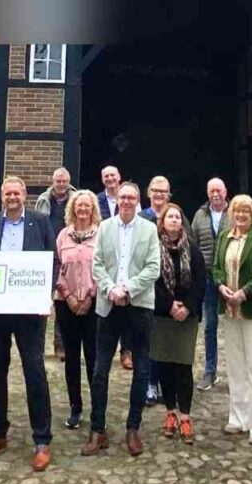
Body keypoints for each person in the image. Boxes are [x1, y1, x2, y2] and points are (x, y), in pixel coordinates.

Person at [0, 176, 56, 472]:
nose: (12, 197)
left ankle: (42, 439)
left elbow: (53, 261)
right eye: (7, 193)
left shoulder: (40, 222)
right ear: (1, 196)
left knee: (34, 370)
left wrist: (46, 294)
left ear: (25, 195)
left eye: (16, 193)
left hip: (28, 311)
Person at [83, 181, 160, 458]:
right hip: (109, 305)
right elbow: (98, 264)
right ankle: (97, 428)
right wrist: (110, 289)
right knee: (100, 370)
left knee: (141, 369)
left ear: (138, 202)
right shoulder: (104, 228)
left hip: (138, 305)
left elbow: (153, 268)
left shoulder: (150, 229)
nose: (126, 201)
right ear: (117, 201)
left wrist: (127, 289)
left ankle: (133, 428)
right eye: (123, 197)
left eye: (131, 198)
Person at [213, 194, 252, 444]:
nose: (240, 216)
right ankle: (239, 417)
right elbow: (216, 267)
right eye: (237, 212)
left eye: (245, 213)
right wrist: (221, 286)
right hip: (229, 310)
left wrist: (244, 292)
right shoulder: (225, 237)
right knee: (235, 366)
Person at [150, 203, 206, 445]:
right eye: (169, 217)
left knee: (183, 367)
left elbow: (200, 281)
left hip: (186, 317)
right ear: (162, 222)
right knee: (164, 366)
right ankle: (170, 412)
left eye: (177, 217)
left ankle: (185, 415)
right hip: (163, 316)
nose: (173, 220)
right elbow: (153, 280)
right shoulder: (153, 248)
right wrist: (169, 305)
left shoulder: (192, 249)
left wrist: (187, 307)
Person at [136, 175, 190, 406]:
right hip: (149, 290)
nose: (159, 194)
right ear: (149, 193)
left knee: (170, 343)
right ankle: (150, 383)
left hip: (173, 293)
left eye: (164, 191)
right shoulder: (141, 218)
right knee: (149, 341)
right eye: (155, 190)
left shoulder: (178, 217)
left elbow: (188, 249)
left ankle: (170, 386)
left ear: (169, 194)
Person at [54, 189, 102, 430]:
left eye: (87, 206)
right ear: (72, 208)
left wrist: (89, 297)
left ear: (93, 209)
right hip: (67, 304)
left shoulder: (101, 235)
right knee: (71, 358)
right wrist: (69, 296)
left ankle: (97, 407)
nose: (82, 209)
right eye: (78, 206)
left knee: (94, 357)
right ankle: (75, 407)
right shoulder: (63, 235)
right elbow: (56, 268)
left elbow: (106, 267)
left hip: (93, 305)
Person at [97, 166, 141, 371]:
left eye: (112, 175)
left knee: (129, 313)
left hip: (129, 261)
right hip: (107, 253)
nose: (109, 178)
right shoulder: (97, 200)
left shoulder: (132, 202)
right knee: (108, 313)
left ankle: (126, 351)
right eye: (106, 176)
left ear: (119, 177)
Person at [191, 177, 230, 392]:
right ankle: (210, 370)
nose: (215, 194)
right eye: (211, 191)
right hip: (207, 277)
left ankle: (237, 371)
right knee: (210, 324)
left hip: (231, 278)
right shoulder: (200, 215)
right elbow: (194, 245)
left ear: (225, 192)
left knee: (235, 326)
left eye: (219, 190)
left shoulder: (235, 213)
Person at [34, 167, 77, 362]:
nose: (61, 184)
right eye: (58, 181)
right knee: (42, 302)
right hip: (46, 255)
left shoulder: (76, 199)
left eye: (64, 181)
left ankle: (61, 345)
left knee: (61, 302)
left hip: (67, 254)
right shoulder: (43, 200)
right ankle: (38, 346)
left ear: (68, 182)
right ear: (52, 181)